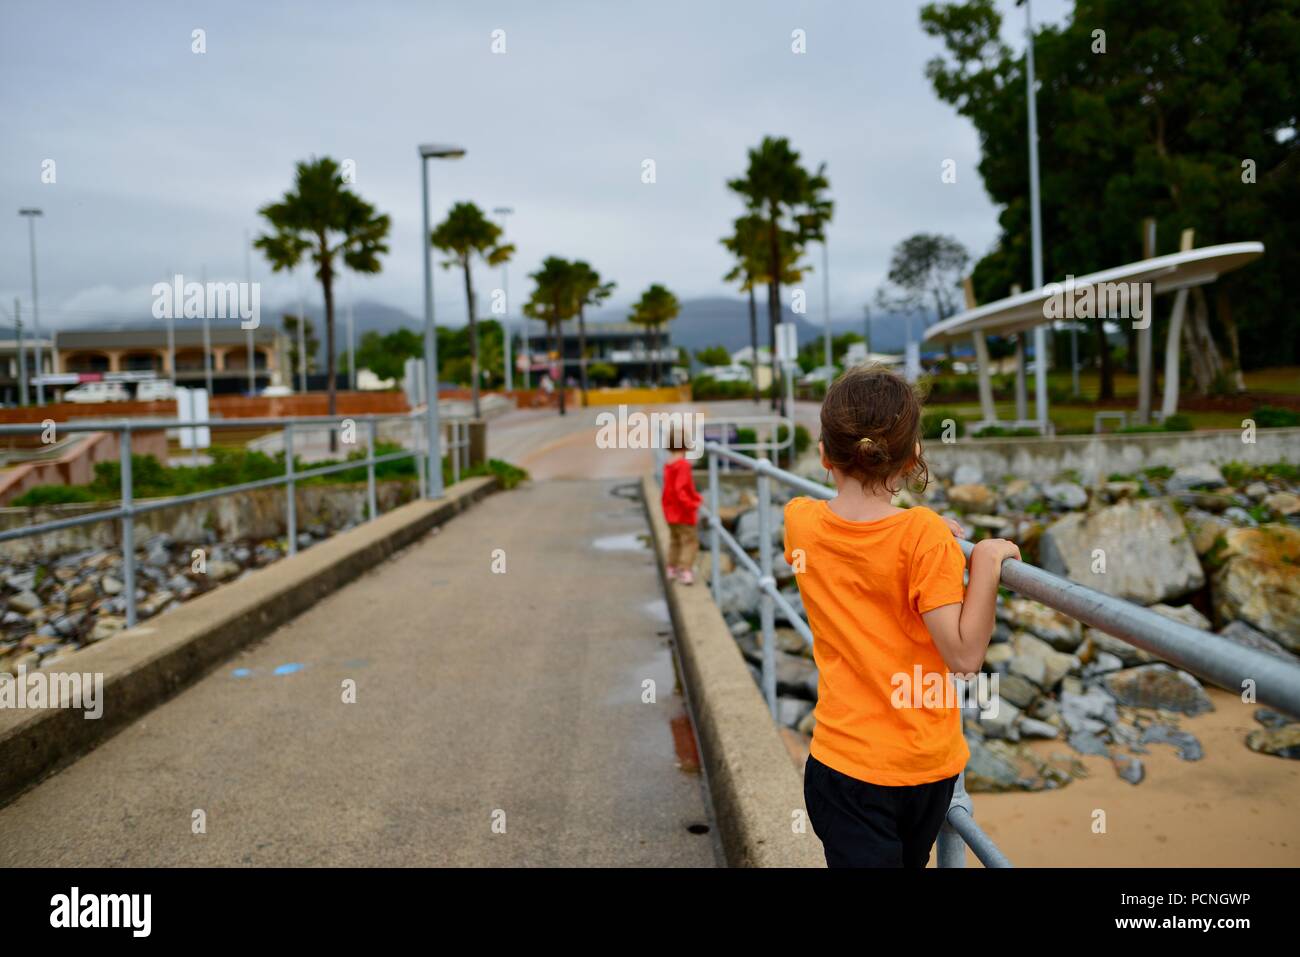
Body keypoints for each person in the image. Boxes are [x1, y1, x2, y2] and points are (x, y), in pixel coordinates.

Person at [784, 366, 1020, 868]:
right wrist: (986, 562)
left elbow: (859, 543)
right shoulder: (924, 536)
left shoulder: (798, 522)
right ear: (914, 457)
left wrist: (927, 535)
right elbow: (962, 655)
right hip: (925, 768)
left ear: (825, 454)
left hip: (843, 768)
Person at [661, 432, 702, 585]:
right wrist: (693, 504)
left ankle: (671, 568)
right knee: (690, 541)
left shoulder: (668, 464)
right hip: (683, 512)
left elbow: (669, 489)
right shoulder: (683, 465)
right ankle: (685, 570)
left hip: (670, 511)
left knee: (675, 540)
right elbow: (681, 490)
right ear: (685, 446)